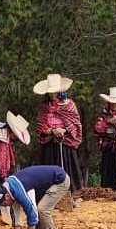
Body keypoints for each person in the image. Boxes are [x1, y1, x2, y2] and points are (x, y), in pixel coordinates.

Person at [0, 165, 71, 229]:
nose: (4, 206)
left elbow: (32, 216)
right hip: (45, 184)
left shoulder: (19, 192)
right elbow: (14, 210)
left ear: (7, 196)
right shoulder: (8, 188)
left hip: (60, 181)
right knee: (36, 209)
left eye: (3, 204)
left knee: (42, 210)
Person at [34, 73, 83, 204]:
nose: (52, 94)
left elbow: (76, 123)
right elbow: (40, 127)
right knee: (51, 171)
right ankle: (52, 199)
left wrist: (64, 130)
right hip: (50, 144)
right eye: (50, 92)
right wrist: (52, 131)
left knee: (68, 169)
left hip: (65, 143)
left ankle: (70, 197)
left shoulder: (69, 105)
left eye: (55, 91)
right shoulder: (44, 107)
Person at [0, 111, 31, 187]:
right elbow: (1, 158)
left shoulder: (2, 129)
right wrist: (4, 177)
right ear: (13, 132)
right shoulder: (2, 139)